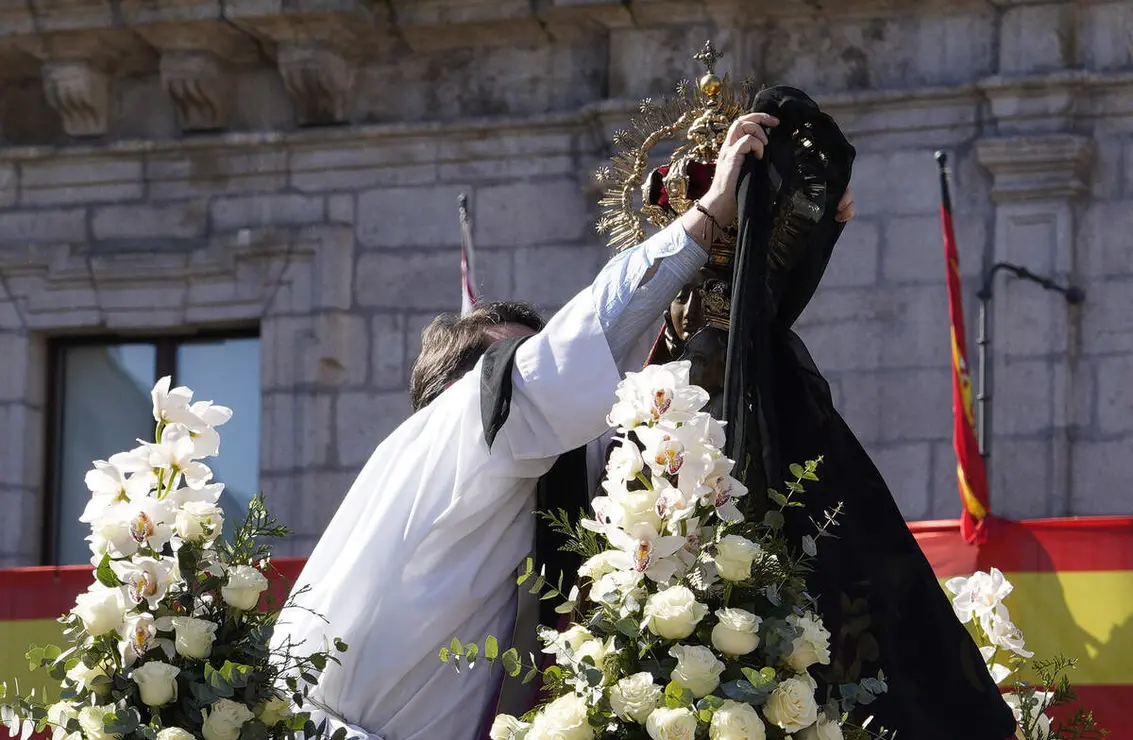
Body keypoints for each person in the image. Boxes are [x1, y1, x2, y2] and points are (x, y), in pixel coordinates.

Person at [269, 112, 856, 740]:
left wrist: (793, 242)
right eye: (518, 360)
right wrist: (707, 215)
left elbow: (662, 398)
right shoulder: (460, 427)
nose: (543, 371)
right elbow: (579, 352)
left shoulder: (536, 478)